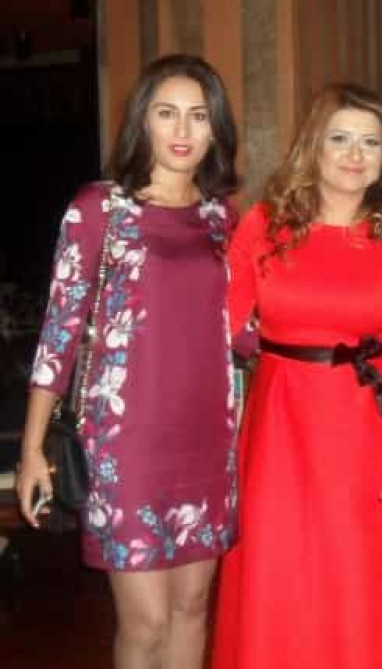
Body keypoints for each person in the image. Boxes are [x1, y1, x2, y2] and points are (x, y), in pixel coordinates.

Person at [16, 53, 240, 669]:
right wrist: (32, 448)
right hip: (127, 440)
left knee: (192, 609)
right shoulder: (99, 210)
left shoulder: (222, 218)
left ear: (216, 129)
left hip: (207, 437)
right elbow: (58, 332)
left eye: (199, 116)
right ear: (142, 121)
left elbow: (244, 330)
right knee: (146, 623)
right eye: (167, 113)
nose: (183, 130)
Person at [210, 83, 382, 669]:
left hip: (370, 432)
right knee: (281, 572)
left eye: (370, 142)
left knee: (363, 578)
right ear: (314, 146)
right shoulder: (263, 225)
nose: (354, 155)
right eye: (340, 139)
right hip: (280, 430)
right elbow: (218, 324)